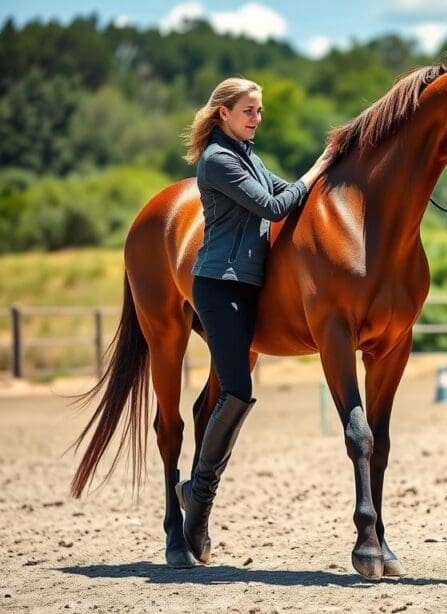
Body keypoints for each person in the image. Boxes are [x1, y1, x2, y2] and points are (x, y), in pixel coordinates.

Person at [175, 77, 329, 564]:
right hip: (218, 286)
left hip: (249, 286)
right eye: (248, 110)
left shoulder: (249, 157)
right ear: (223, 113)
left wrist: (329, 179)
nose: (256, 118)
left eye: (260, 111)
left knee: (239, 390)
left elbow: (289, 191)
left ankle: (195, 492)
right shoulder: (218, 160)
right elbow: (275, 205)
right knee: (237, 390)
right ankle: (198, 495)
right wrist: (318, 166)